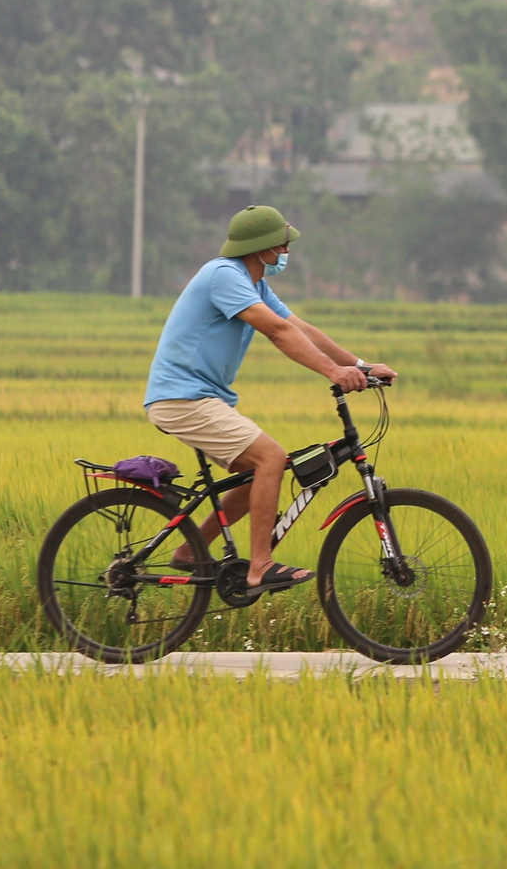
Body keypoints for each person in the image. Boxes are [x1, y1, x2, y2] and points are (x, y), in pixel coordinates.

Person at [142, 205, 394, 593]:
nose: (286, 253)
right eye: (281, 245)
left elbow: (299, 327)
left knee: (259, 472)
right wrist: (332, 372)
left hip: (201, 398)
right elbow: (276, 331)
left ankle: (191, 553)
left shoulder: (253, 283)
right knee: (271, 458)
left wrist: (361, 365)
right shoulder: (223, 276)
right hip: (183, 398)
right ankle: (260, 565)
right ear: (261, 248)